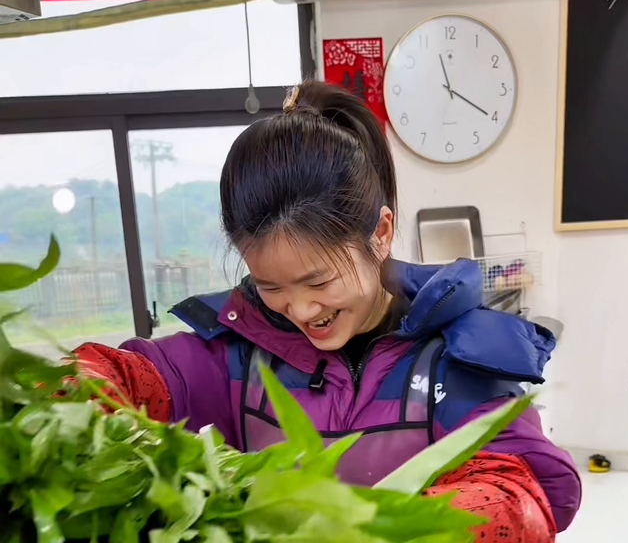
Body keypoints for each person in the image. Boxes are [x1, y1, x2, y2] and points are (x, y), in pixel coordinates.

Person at [76, 81, 581, 543]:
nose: (299, 308)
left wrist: (399, 528)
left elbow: (522, 488)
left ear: (380, 235)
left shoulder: (454, 358)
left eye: (319, 280)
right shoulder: (237, 355)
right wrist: (69, 394)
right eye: (270, 285)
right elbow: (128, 376)